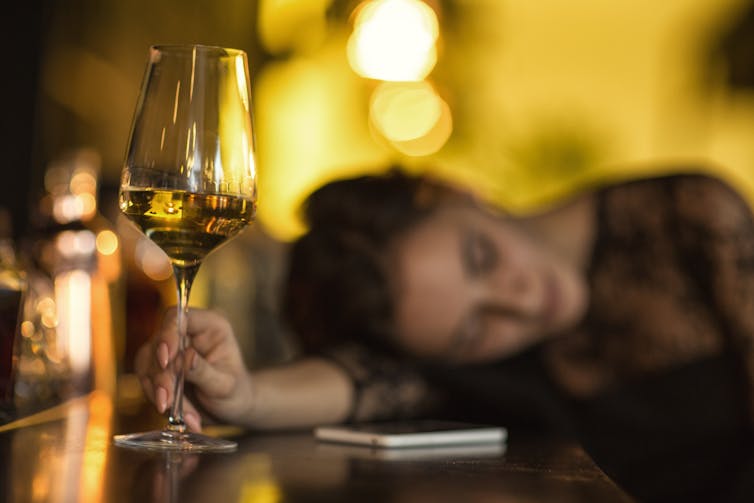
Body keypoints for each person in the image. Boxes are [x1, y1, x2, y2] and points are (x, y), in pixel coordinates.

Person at [136, 167, 754, 502]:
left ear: (459, 192)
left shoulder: (687, 220)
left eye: (481, 257)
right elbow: (361, 381)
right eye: (472, 331)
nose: (521, 304)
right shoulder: (471, 372)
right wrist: (242, 395)